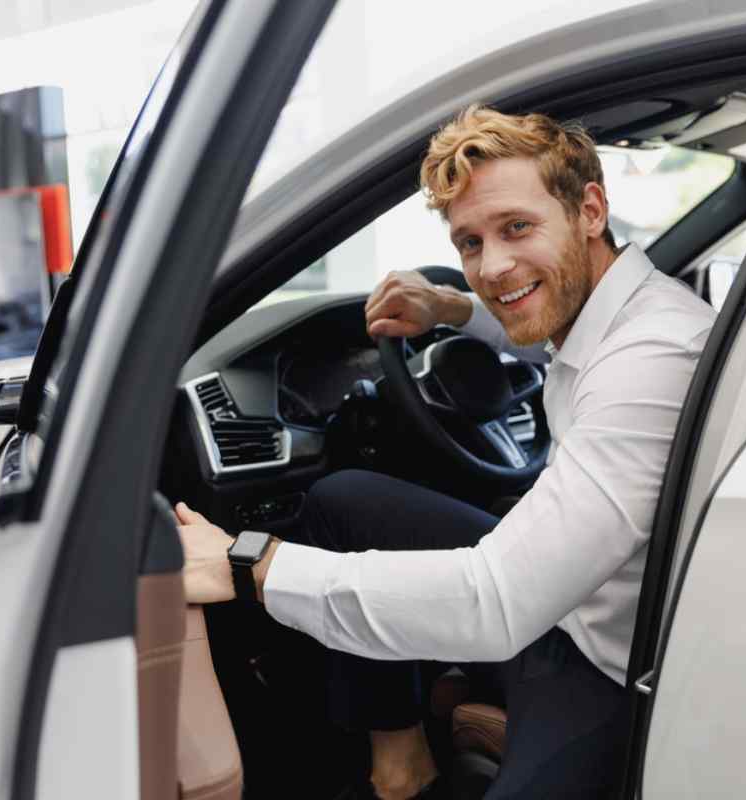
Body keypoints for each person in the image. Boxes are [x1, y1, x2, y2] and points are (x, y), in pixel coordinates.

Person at [178, 105, 717, 799]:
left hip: (610, 663)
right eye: (469, 242)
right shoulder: (615, 309)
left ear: (589, 209)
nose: (492, 265)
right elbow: (540, 324)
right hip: (569, 597)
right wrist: (450, 308)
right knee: (344, 502)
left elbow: (496, 599)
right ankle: (402, 764)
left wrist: (250, 562)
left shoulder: (650, 358)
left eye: (517, 228)